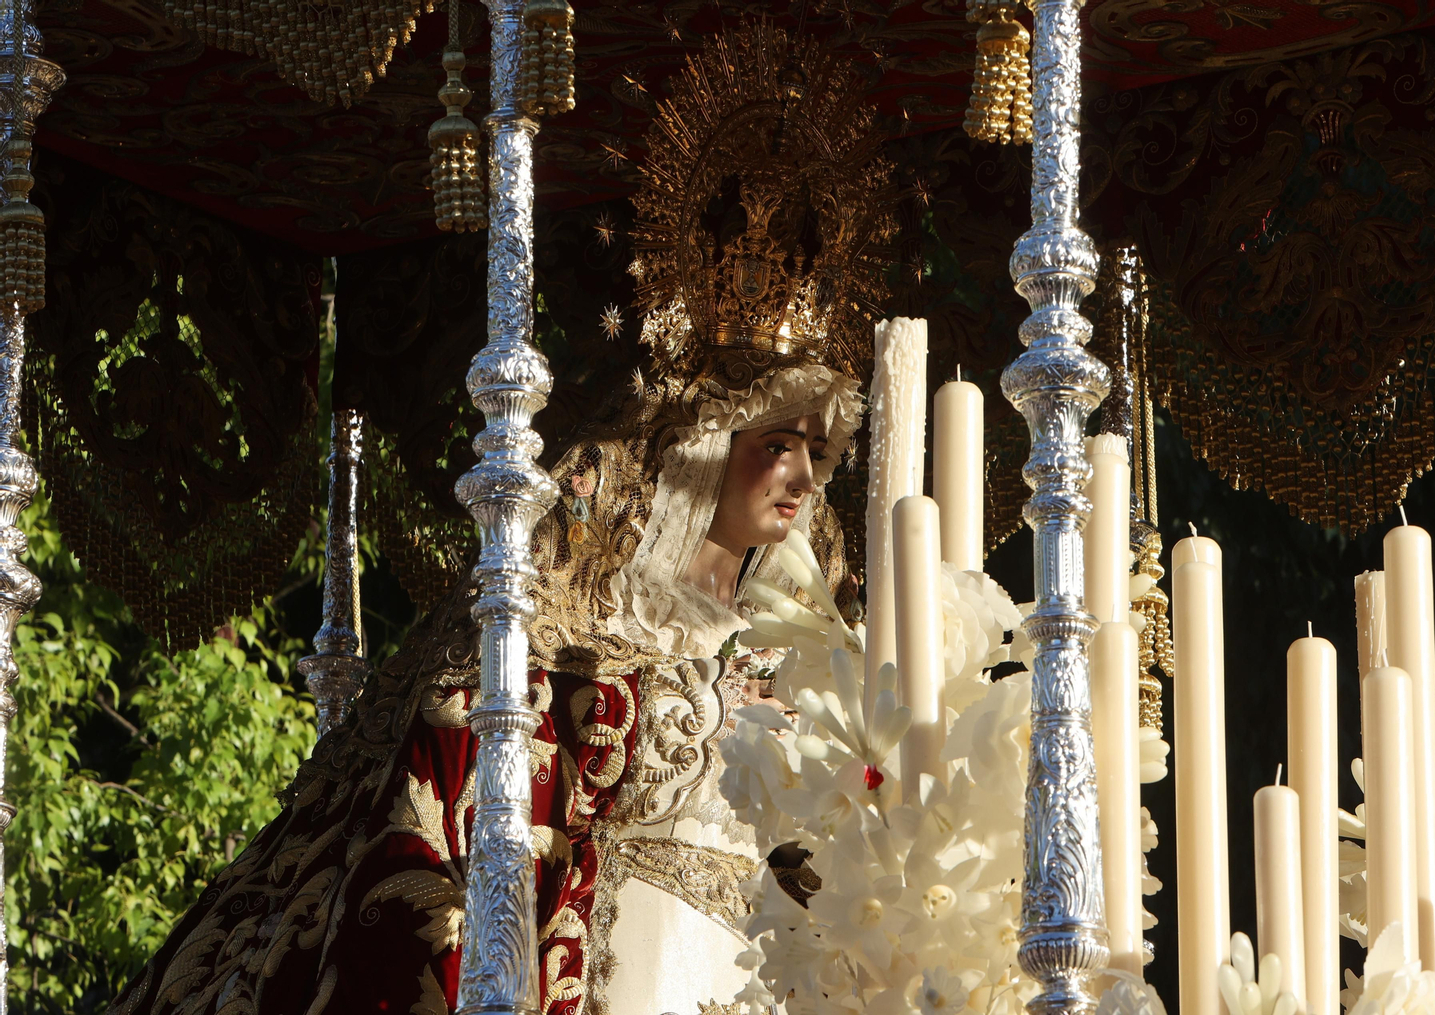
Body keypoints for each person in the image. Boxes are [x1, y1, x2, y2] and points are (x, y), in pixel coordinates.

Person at [107, 21, 897, 1015]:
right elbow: (475, 754)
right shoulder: (583, 592)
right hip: (628, 955)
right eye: (775, 440)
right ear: (704, 440)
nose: (801, 476)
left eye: (814, 447)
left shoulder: (802, 624)